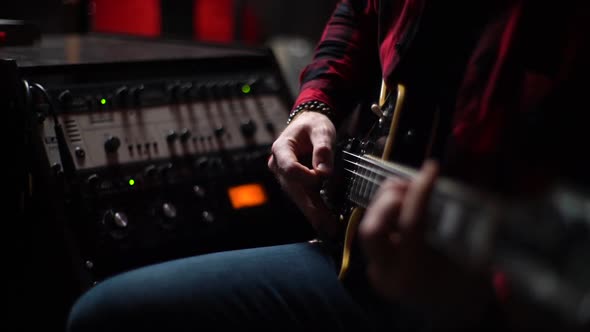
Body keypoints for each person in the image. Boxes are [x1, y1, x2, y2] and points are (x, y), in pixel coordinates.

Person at [66, 1, 590, 331]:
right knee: (104, 314)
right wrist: (314, 105)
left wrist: (479, 305)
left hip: (492, 301)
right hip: (360, 265)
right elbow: (360, 13)